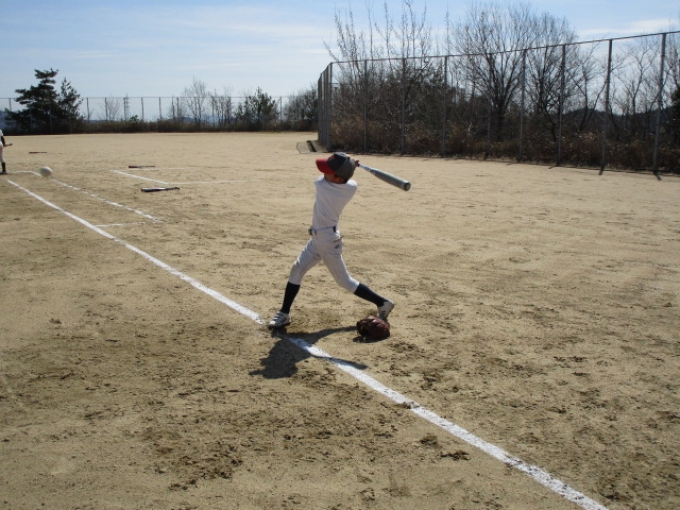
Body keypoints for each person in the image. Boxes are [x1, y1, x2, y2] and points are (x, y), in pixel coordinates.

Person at [268, 152, 395, 329]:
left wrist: (350, 165)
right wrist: (349, 167)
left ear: (338, 179)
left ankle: (383, 303)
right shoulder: (350, 187)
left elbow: (325, 178)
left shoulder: (322, 186)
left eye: (329, 170)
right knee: (297, 269)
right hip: (319, 238)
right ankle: (284, 313)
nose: (324, 172)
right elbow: (348, 180)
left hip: (327, 242)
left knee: (345, 281)